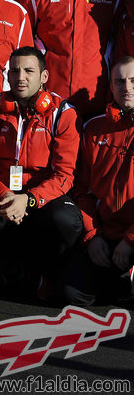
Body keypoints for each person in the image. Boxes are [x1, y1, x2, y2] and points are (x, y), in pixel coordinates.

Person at [0, 47, 82, 298]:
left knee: (66, 220)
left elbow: (64, 175)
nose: (20, 77)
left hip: (42, 194)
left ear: (44, 77)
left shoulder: (63, 113)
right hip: (3, 191)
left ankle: (48, 275)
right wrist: (6, 195)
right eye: (14, 71)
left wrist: (29, 199)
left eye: (29, 71)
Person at [65, 57, 134, 304]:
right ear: (111, 87)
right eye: (120, 81)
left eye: (133, 81)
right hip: (104, 233)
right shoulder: (94, 129)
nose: (127, 87)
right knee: (75, 295)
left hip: (132, 235)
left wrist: (130, 240)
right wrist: (92, 236)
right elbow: (81, 189)